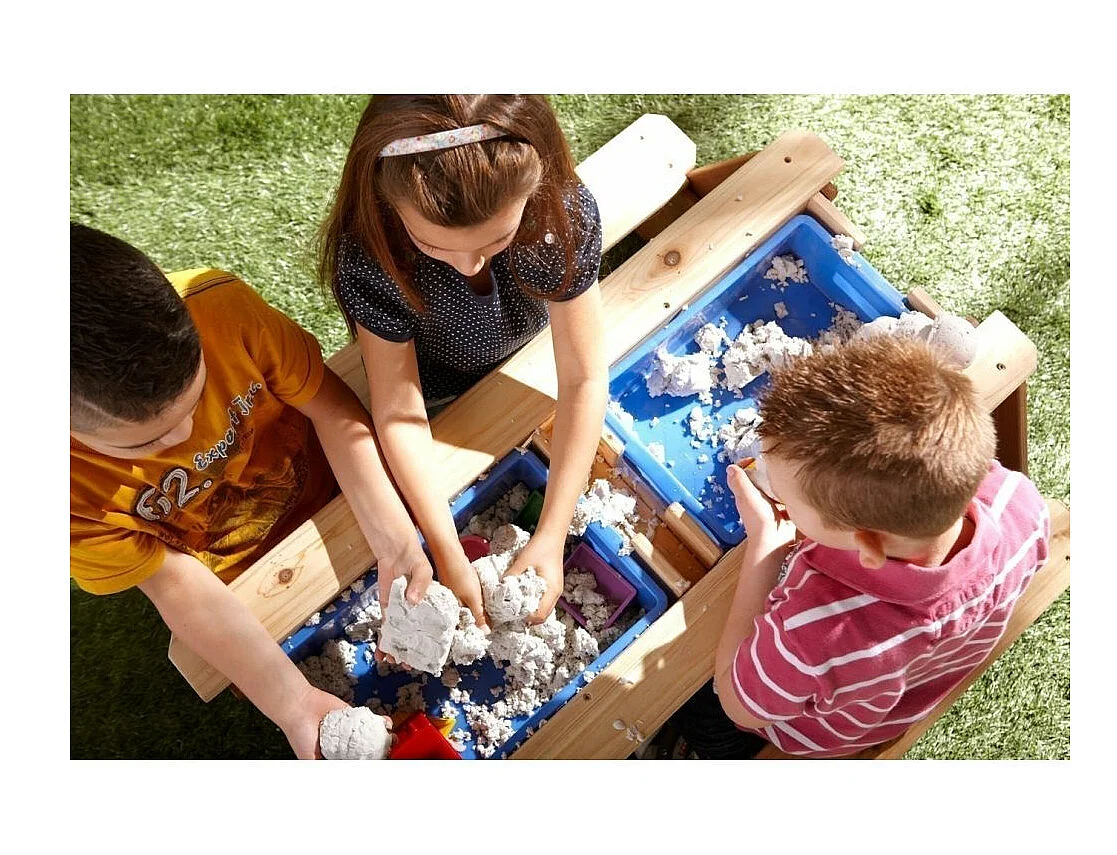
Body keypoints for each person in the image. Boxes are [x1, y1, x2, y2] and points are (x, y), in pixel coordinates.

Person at [70, 222, 432, 758]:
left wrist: (397, 541)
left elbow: (330, 408)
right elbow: (171, 583)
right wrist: (292, 704)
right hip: (230, 587)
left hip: (335, 488)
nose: (187, 436)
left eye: (195, 401)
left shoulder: (220, 309)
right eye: (147, 442)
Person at [679, 335, 1050, 758]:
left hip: (821, 734)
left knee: (701, 713)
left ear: (867, 545)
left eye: (789, 501)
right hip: (919, 680)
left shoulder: (817, 629)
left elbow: (737, 705)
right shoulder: (1019, 501)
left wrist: (766, 548)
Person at [316, 95, 607, 630]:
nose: (468, 263)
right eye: (432, 244)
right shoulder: (371, 258)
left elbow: (585, 377)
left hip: (520, 346)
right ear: (388, 205)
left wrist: (551, 532)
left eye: (497, 239)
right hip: (436, 381)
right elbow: (400, 414)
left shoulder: (556, 217)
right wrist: (444, 547)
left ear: (537, 183)